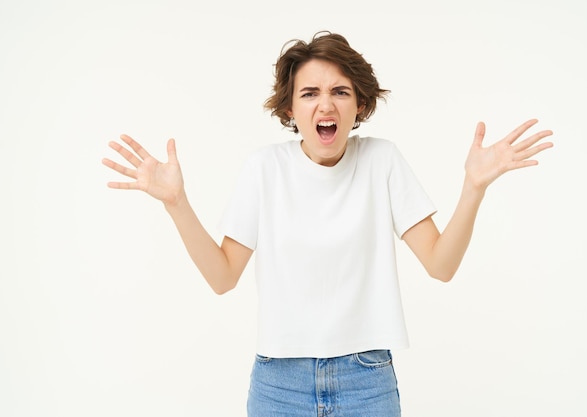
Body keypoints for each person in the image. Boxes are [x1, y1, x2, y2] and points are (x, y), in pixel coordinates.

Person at [102, 31, 553, 417]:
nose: (326, 104)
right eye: (309, 93)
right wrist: (176, 203)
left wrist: (474, 187)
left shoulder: (382, 161)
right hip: (279, 383)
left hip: (367, 382)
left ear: (359, 105)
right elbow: (223, 277)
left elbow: (441, 265)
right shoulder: (265, 169)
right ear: (290, 110)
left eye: (340, 91)